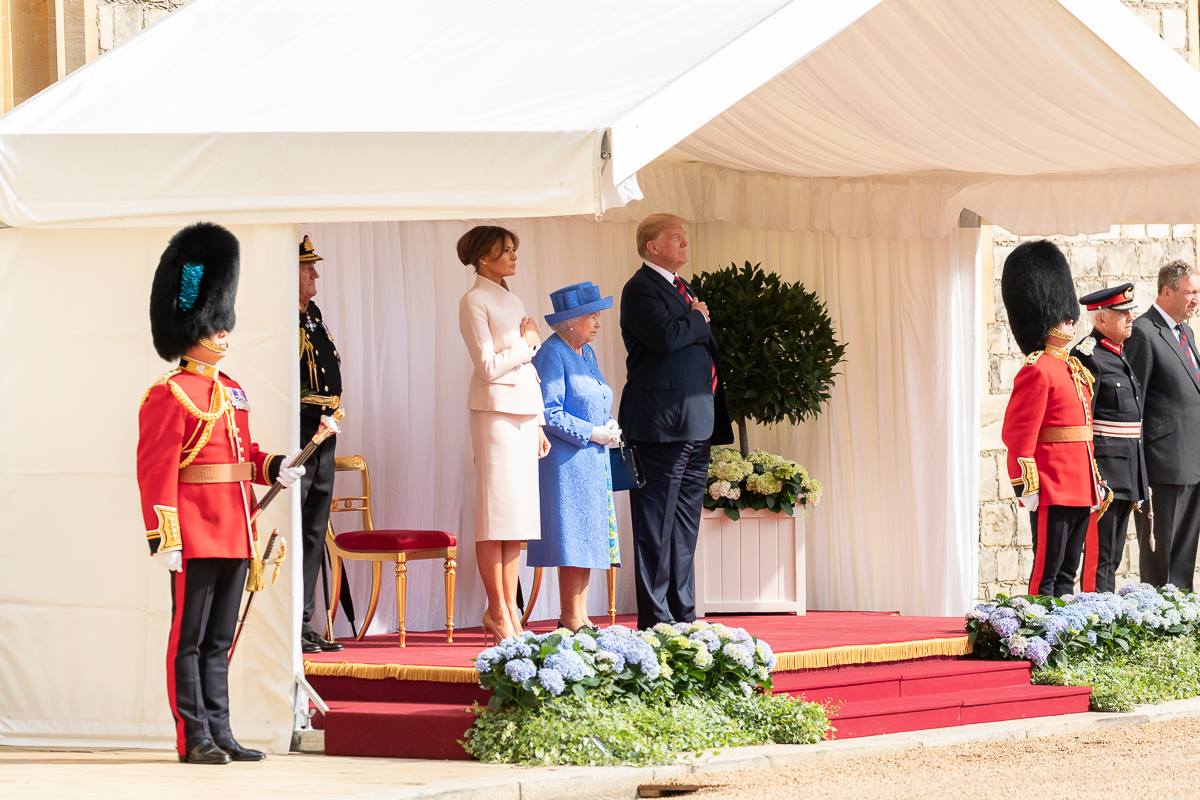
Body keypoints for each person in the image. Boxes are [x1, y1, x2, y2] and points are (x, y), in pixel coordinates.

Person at [137, 223, 305, 764]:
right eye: (216, 325)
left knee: (219, 639)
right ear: (194, 328)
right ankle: (194, 737)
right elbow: (155, 470)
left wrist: (278, 466)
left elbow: (246, 455)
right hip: (193, 528)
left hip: (236, 527)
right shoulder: (169, 394)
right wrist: (164, 535)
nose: (225, 333)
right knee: (188, 640)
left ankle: (222, 731)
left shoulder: (230, 389)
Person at [618, 213, 734, 630]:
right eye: (676, 238)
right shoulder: (639, 290)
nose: (685, 243)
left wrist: (695, 317)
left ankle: (683, 615)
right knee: (655, 526)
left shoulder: (683, 289)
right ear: (653, 246)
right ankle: (655, 619)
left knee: (685, 527)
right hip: (659, 426)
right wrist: (698, 319)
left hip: (695, 424)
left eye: (686, 237)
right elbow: (666, 338)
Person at [457, 225, 552, 641]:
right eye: (505, 250)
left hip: (524, 412)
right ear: (483, 257)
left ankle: (509, 610)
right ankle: (497, 608)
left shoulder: (511, 298)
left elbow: (525, 369)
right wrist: (528, 342)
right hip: (494, 413)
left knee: (516, 517)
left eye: (514, 249)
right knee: (494, 515)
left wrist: (541, 421)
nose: (514, 257)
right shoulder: (473, 300)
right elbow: (488, 365)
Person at [1000, 240, 1104, 597]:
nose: (1069, 321)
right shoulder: (1038, 370)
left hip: (1079, 484)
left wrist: (1094, 478)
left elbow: (1084, 432)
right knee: (1046, 573)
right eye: (1062, 315)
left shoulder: (1071, 367)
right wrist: (1025, 484)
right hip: (1053, 483)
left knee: (1066, 574)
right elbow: (1018, 432)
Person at [528, 282, 622, 633]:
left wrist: (608, 423)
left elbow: (596, 397)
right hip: (566, 462)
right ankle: (570, 614)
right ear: (570, 322)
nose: (598, 323)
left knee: (589, 537)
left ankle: (580, 614)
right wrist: (591, 432)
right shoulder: (553, 353)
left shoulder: (587, 353)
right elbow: (549, 411)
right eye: (592, 317)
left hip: (592, 461)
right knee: (572, 537)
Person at [1125, 260, 1200, 590]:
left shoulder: (1187, 331)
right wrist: (1138, 468)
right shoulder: (1143, 331)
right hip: (1162, 463)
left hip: (1192, 459)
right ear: (1166, 291)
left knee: (1184, 554)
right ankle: (1158, 622)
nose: (1196, 299)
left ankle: (1180, 624)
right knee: (1161, 553)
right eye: (1190, 292)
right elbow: (1134, 403)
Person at [1071, 284, 1149, 593]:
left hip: (1128, 468)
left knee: (1113, 557)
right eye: (1123, 314)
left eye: (1131, 312)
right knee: (1099, 557)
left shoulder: (1118, 354)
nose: (1130, 318)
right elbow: (1084, 420)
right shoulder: (1088, 356)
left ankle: (1106, 617)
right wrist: (1094, 475)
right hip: (1105, 471)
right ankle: (1095, 620)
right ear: (1101, 320)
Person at [297, 234, 344, 653]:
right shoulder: (285, 317)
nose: (314, 273)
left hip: (325, 425)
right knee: (298, 523)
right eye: (307, 267)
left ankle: (307, 621)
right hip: (300, 426)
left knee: (315, 524)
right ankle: (292, 618)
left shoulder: (312, 312)